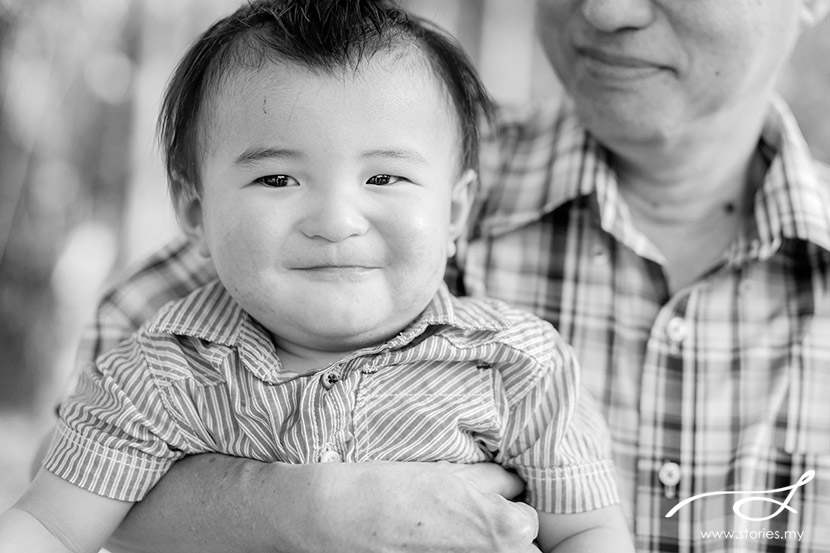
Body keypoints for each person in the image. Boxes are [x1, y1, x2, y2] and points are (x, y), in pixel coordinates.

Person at [24, 0, 830, 552]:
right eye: (278, 179)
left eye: (383, 179)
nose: (336, 220)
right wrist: (310, 509)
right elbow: (62, 505)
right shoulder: (179, 340)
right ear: (193, 210)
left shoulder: (512, 357)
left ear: (458, 207)